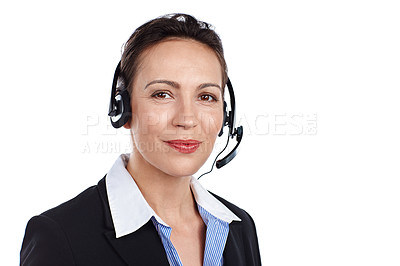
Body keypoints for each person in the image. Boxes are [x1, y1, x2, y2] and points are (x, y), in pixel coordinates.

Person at [20, 13, 261, 266]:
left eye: (206, 97)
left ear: (225, 116)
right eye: (162, 94)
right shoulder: (60, 236)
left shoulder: (239, 227)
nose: (187, 119)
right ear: (122, 109)